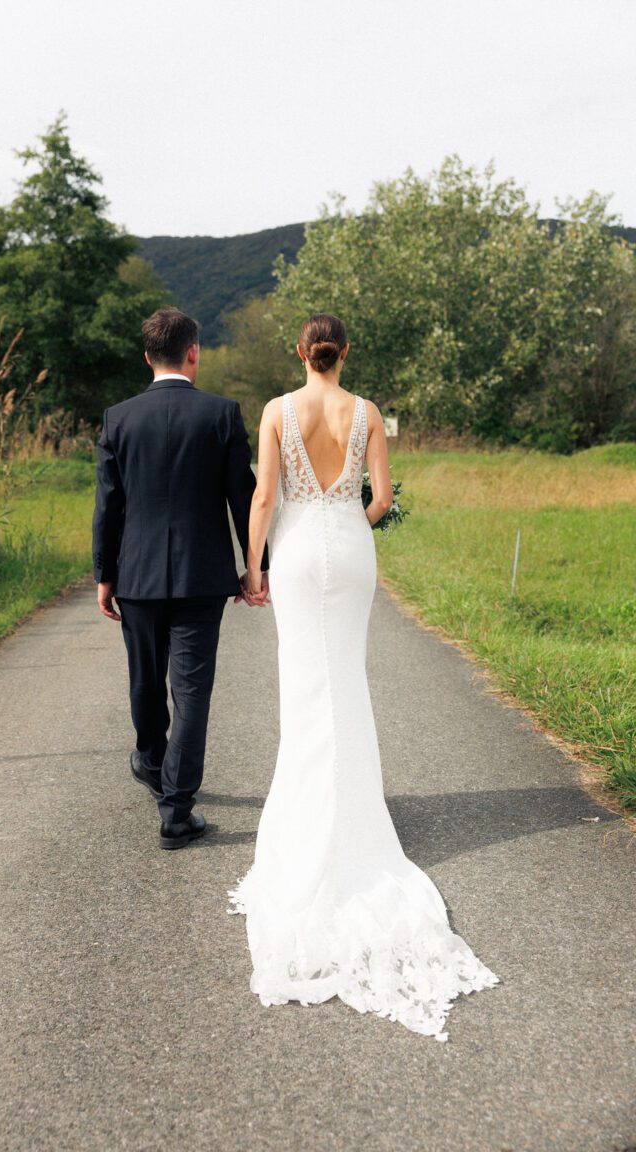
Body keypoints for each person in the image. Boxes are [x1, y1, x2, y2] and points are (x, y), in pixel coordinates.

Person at [229, 313, 499, 1040]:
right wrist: (349, 517)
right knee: (344, 678)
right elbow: (379, 500)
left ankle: (311, 821)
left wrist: (252, 566)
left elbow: (261, 497)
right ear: (344, 353)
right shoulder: (369, 413)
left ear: (300, 351)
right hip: (349, 550)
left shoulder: (277, 411)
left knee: (302, 688)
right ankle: (355, 820)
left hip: (293, 552)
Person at [92, 308, 267, 850]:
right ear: (194, 352)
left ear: (148, 357)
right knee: (191, 692)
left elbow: (109, 505)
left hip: (136, 577)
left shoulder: (118, 418)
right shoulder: (221, 414)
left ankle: (149, 761)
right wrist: (256, 568)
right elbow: (246, 496)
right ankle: (176, 811)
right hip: (202, 576)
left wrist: (104, 573)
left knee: (145, 679)